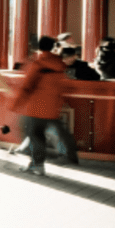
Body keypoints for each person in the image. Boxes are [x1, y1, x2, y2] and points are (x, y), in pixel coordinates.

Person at [10, 36, 77, 176]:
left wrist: (16, 105)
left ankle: (37, 166)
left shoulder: (38, 63)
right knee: (40, 135)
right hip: (53, 107)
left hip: (36, 107)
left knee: (34, 136)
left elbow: (27, 86)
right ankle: (37, 164)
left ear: (39, 47)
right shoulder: (60, 64)